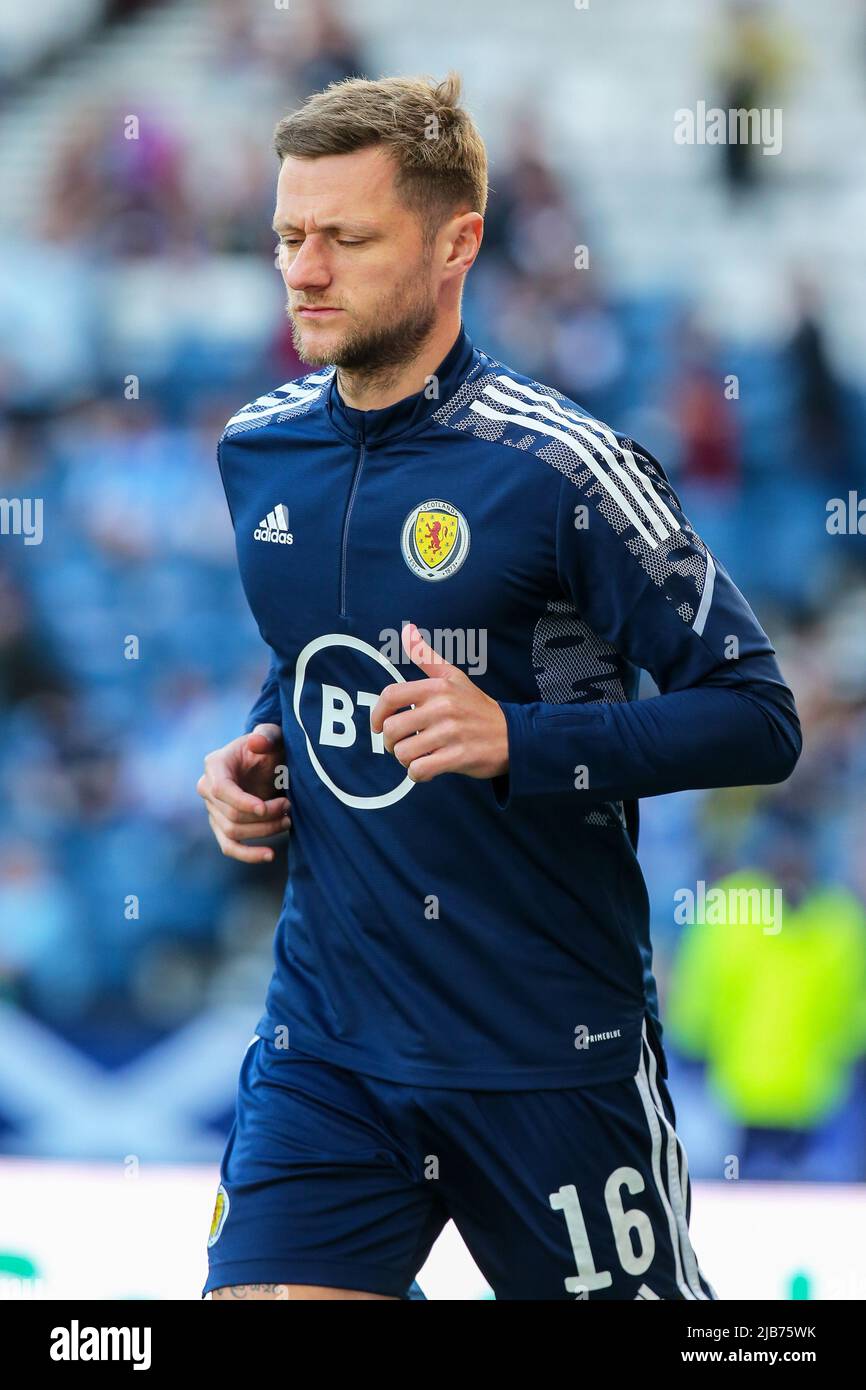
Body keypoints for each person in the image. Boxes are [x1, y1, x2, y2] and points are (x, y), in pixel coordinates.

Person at [196, 71, 801, 1300]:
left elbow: (757, 716)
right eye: (287, 237)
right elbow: (315, 656)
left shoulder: (563, 466)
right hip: (331, 1045)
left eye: (345, 239)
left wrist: (517, 743)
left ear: (455, 241)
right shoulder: (257, 446)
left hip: (548, 1054)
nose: (302, 272)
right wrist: (257, 751)